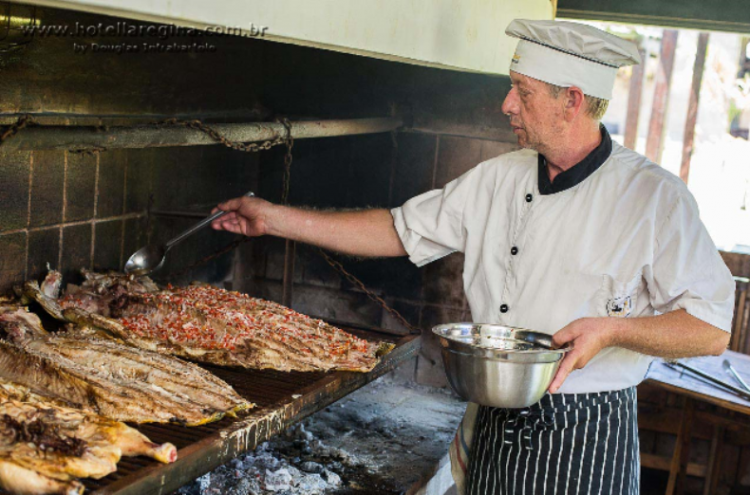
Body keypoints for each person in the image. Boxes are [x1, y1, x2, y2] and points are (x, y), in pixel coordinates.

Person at [212, 19, 735, 495]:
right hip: (491, 419)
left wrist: (612, 331)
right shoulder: (499, 177)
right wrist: (274, 218)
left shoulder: (653, 198)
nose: (506, 104)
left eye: (522, 93)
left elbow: (711, 330)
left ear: (571, 101)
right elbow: (399, 230)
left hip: (585, 431)